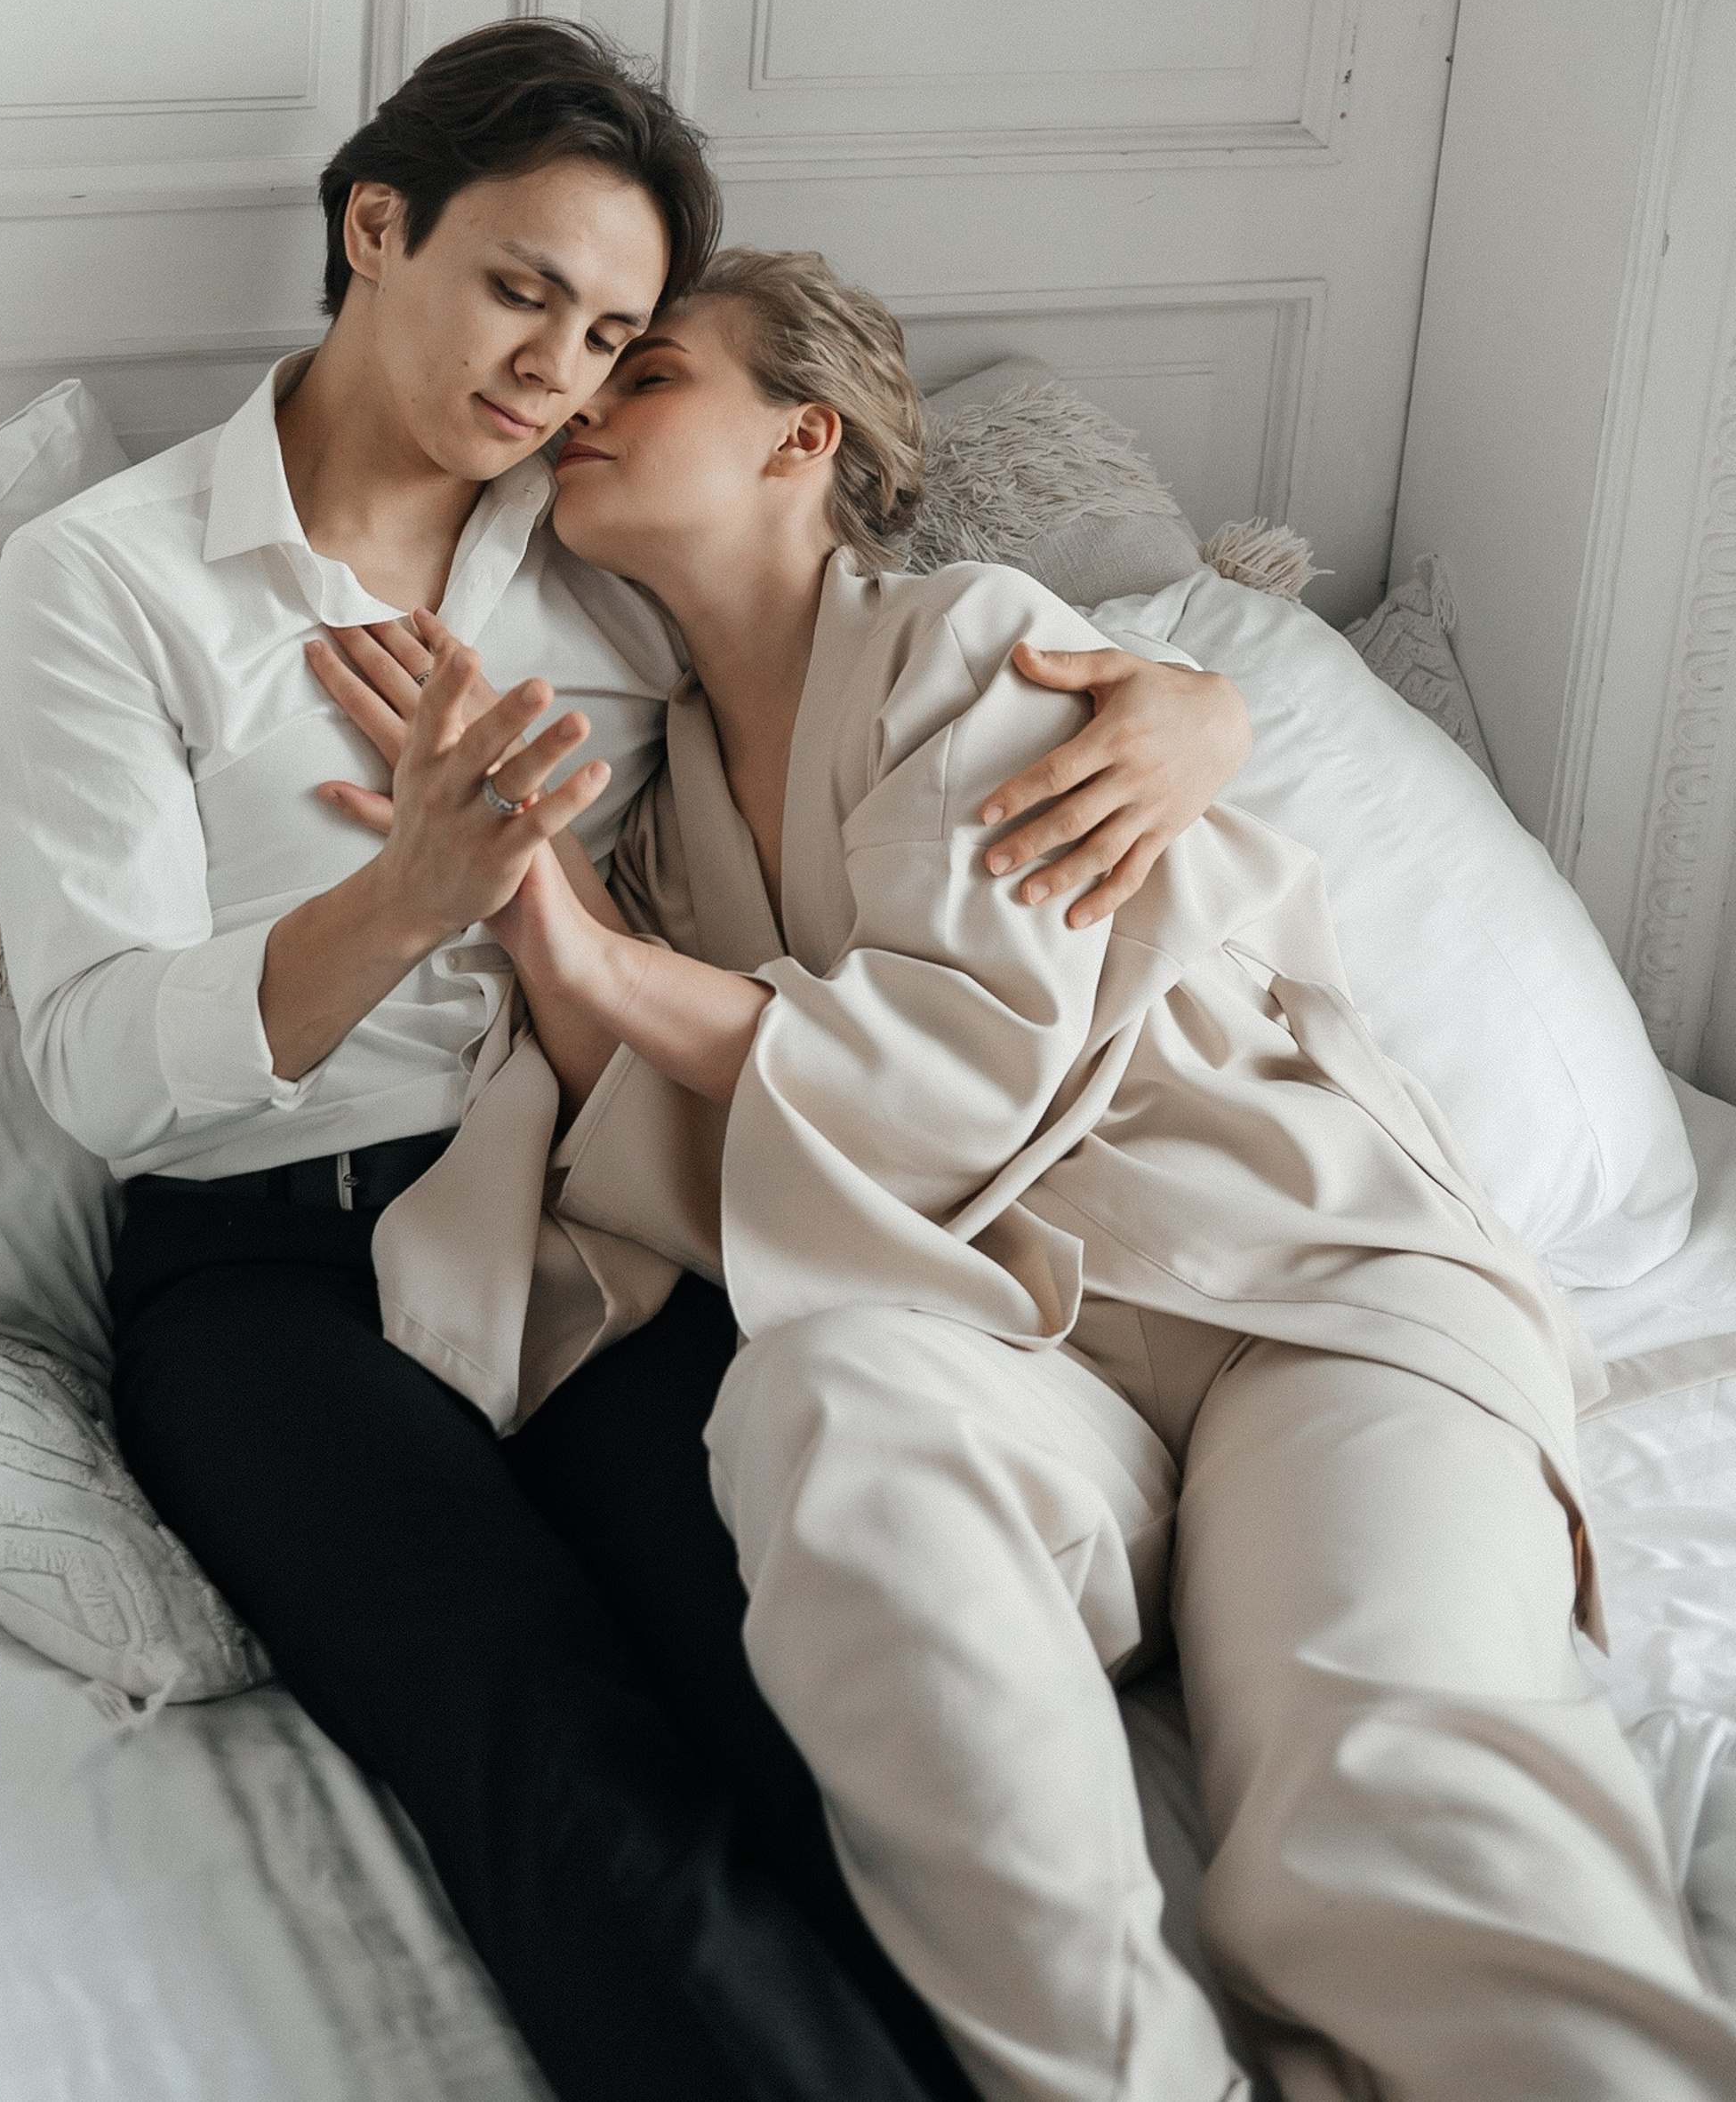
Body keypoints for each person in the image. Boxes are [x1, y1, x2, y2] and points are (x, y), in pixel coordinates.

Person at [0, 22, 1252, 2102]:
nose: (556, 372)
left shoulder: (594, 547)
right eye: (516, 291)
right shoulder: (106, 585)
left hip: (593, 1224)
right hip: (262, 1266)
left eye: (611, 334)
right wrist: (415, 893)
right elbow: (100, 1065)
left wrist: (1202, 709)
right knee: (536, 1739)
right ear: (374, 226)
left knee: (801, 1707)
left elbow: (890, 636)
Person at [312, 246, 1736, 2102]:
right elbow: (665, 1165)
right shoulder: (655, 823)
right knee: (810, 1402)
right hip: (1015, 1355)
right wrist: (526, 893)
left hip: (1285, 1297)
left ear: (798, 435)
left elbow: (965, 1071)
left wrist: (592, 964)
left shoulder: (972, 642)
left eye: (643, 372)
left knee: (1383, 1793)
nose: (577, 405)